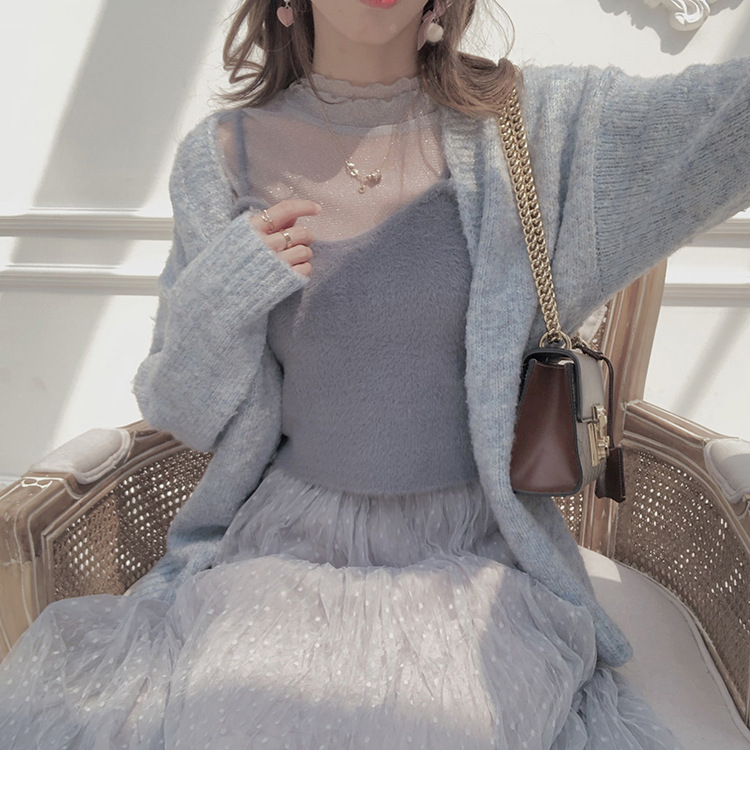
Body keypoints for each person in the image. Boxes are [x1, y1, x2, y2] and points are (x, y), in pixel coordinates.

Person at [0, 0, 749, 750]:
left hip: (475, 551)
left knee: (449, 731)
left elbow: (727, 123)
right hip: (287, 546)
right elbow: (180, 410)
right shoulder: (221, 155)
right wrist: (226, 290)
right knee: (241, 721)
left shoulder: (537, 127)